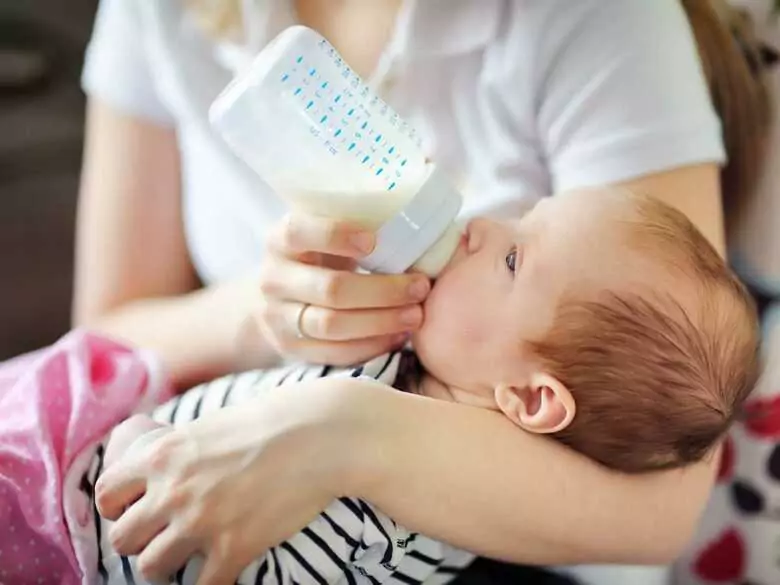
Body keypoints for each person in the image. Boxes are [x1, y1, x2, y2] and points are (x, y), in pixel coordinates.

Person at [72, 0, 770, 584]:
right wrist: (260, 315)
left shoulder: (598, 18)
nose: (478, 227)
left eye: (514, 254)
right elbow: (99, 341)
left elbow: (664, 499)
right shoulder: (162, 12)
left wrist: (346, 429)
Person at [0, 189, 754, 584]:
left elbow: (190, 559)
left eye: (515, 259)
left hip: (66, 533)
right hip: (69, 447)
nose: (481, 226)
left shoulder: (386, 525)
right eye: (522, 217)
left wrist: (139, 446)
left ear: (530, 398)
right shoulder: (421, 365)